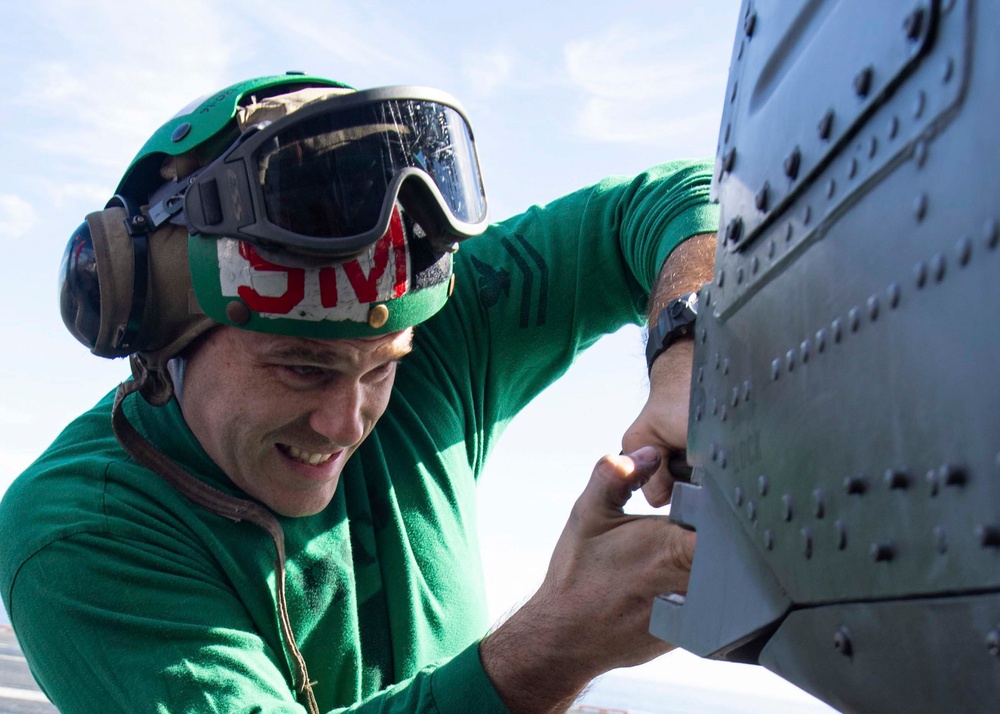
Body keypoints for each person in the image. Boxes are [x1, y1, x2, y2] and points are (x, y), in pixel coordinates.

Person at [0, 73, 717, 713]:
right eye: (301, 367)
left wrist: (686, 351)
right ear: (159, 337)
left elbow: (691, 197)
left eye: (382, 368)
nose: (347, 422)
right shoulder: (75, 535)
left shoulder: (431, 320)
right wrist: (552, 649)